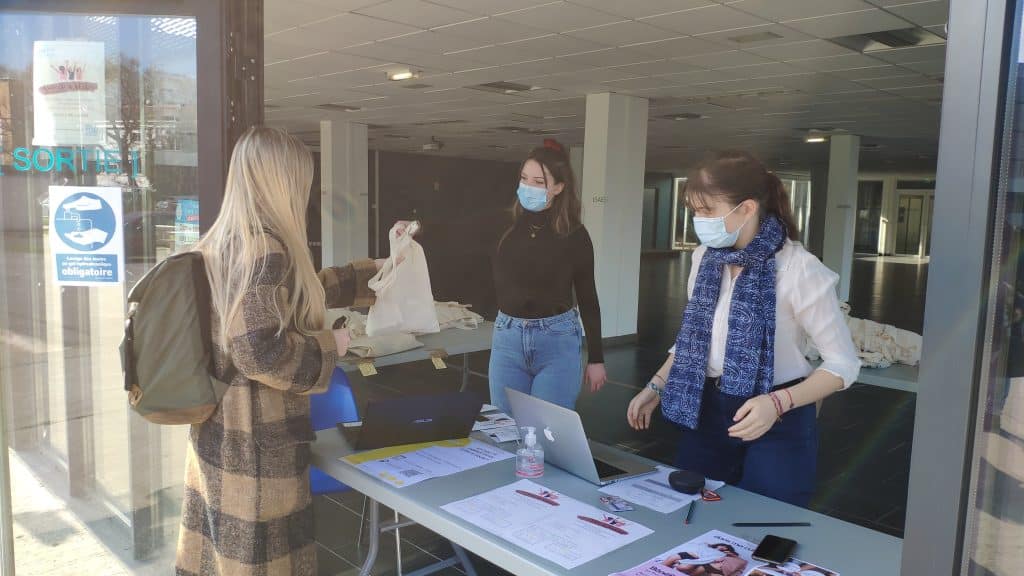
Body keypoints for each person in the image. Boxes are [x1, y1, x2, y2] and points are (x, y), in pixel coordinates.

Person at [175, 127, 406, 576]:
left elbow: (294, 295)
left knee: (220, 560)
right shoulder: (264, 247)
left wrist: (374, 271)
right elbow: (259, 351)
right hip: (259, 450)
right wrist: (330, 346)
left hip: (221, 435)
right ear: (281, 180)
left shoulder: (222, 241)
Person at [627, 150, 860, 507]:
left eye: (707, 210)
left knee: (766, 519)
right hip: (708, 409)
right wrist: (656, 385)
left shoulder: (799, 269)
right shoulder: (705, 258)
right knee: (695, 510)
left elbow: (843, 365)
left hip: (778, 414)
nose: (698, 220)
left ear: (747, 208)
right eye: (693, 210)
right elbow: (694, 336)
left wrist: (777, 403)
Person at [488, 139, 606, 413]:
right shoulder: (505, 225)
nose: (528, 187)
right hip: (508, 339)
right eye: (524, 178)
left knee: (548, 433)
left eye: (539, 182)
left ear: (558, 187)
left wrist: (596, 359)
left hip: (557, 340)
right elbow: (457, 229)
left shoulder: (575, 235)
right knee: (505, 428)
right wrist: (413, 228)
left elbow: (588, 296)